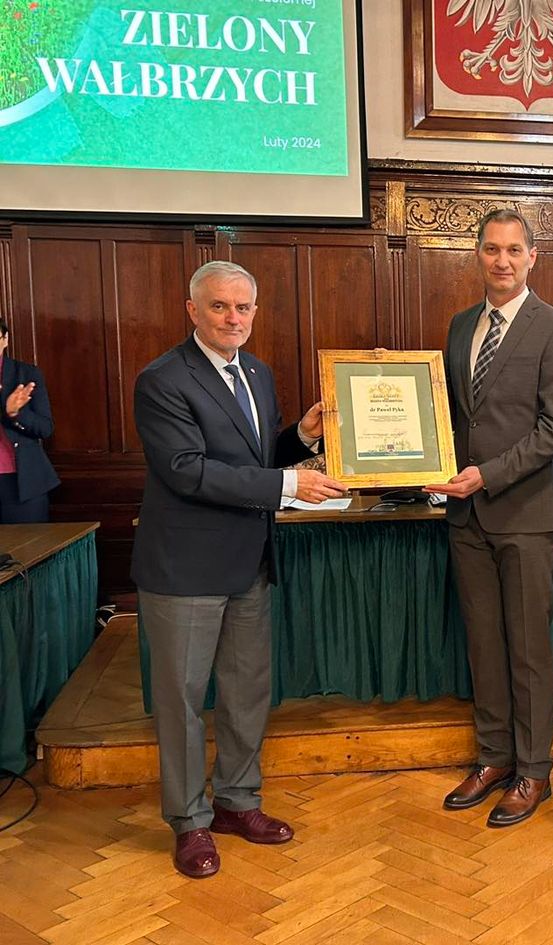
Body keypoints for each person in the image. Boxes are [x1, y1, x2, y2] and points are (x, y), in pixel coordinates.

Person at [132, 261, 347, 879]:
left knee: (247, 691)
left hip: (249, 561)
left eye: (243, 307)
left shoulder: (256, 372)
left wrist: (300, 437)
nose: (233, 318)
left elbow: (255, 458)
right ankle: (189, 822)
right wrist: (288, 484)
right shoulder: (162, 379)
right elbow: (187, 470)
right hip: (185, 567)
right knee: (181, 700)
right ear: (192, 310)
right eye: (220, 306)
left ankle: (236, 801)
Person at [427, 208, 553, 828]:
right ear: (478, 254)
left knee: (528, 651)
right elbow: (449, 413)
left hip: (525, 516)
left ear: (532, 257)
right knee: (485, 646)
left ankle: (534, 770)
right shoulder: (461, 325)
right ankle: (493, 758)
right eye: (492, 249)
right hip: (466, 518)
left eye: (514, 250)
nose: (502, 260)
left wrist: (487, 475)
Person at [0, 318, 59, 523]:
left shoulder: (25, 374)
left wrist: (15, 414)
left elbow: (45, 428)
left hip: (21, 482)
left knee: (29, 543)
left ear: (5, 339)